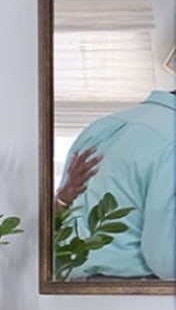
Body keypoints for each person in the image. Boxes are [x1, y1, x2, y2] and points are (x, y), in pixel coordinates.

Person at [56, 89, 174, 280]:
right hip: (139, 296)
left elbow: (63, 221)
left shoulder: (100, 127)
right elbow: (166, 261)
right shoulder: (171, 139)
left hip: (71, 286)